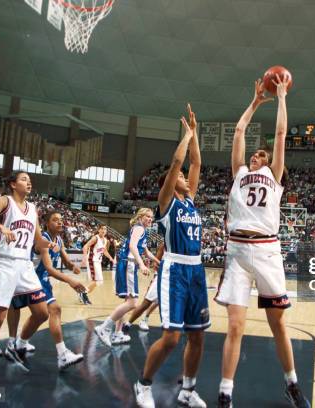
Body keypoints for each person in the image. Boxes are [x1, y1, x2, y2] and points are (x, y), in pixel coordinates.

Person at [215, 76, 310, 407]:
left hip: (268, 250)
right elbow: (240, 132)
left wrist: (282, 97)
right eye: (254, 155)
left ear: (268, 163)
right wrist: (255, 102)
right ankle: (225, 392)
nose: (256, 157)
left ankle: (292, 383)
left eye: (261, 155)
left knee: (278, 324)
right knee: (235, 326)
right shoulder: (239, 173)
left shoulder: (275, 175)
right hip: (239, 251)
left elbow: (281, 134)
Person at [134, 104, 209, 408]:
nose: (186, 179)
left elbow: (195, 163)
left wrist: (196, 135)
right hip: (175, 269)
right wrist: (187, 134)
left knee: (198, 337)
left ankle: (188, 390)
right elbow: (180, 160)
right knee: (172, 338)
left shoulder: (190, 201)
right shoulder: (167, 203)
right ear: (171, 181)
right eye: (179, 177)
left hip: (197, 271)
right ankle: (143, 384)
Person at [0, 171, 54, 387]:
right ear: (12, 184)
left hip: (25, 265)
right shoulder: (5, 201)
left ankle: (18, 343)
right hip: (3, 263)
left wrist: (50, 245)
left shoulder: (33, 210)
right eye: (23, 179)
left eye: (29, 180)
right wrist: (2, 227)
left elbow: (37, 241)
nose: (28, 182)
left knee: (41, 313)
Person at [6, 210, 86, 370]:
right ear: (47, 224)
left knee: (41, 315)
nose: (60, 222)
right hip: (31, 279)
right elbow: (49, 268)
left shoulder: (59, 240)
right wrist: (70, 280)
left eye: (61, 219)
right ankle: (62, 355)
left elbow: (65, 260)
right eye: (55, 220)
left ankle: (21, 343)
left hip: (42, 281)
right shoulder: (43, 239)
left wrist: (73, 267)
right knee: (55, 310)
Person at [94, 208, 158, 346]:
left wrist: (159, 262)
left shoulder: (141, 230)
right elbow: (132, 246)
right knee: (132, 303)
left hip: (127, 265)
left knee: (127, 302)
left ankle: (117, 334)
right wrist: (141, 264)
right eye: (147, 216)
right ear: (141, 216)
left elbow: (146, 252)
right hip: (128, 264)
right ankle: (104, 328)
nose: (150, 219)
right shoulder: (139, 228)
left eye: (152, 217)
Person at [122, 243, 163, 334]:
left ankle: (166, 321)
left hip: (175, 278)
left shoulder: (183, 245)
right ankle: (129, 324)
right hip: (161, 276)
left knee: (161, 301)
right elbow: (155, 264)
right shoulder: (164, 245)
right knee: (146, 302)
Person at [82, 225, 115, 301]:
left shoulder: (105, 240)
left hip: (97, 261)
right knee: (97, 280)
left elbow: (104, 251)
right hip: (92, 260)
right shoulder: (95, 238)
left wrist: (111, 259)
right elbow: (85, 247)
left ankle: (84, 293)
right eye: (102, 229)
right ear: (99, 230)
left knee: (99, 282)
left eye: (105, 229)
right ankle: (83, 293)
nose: (103, 230)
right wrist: (84, 257)